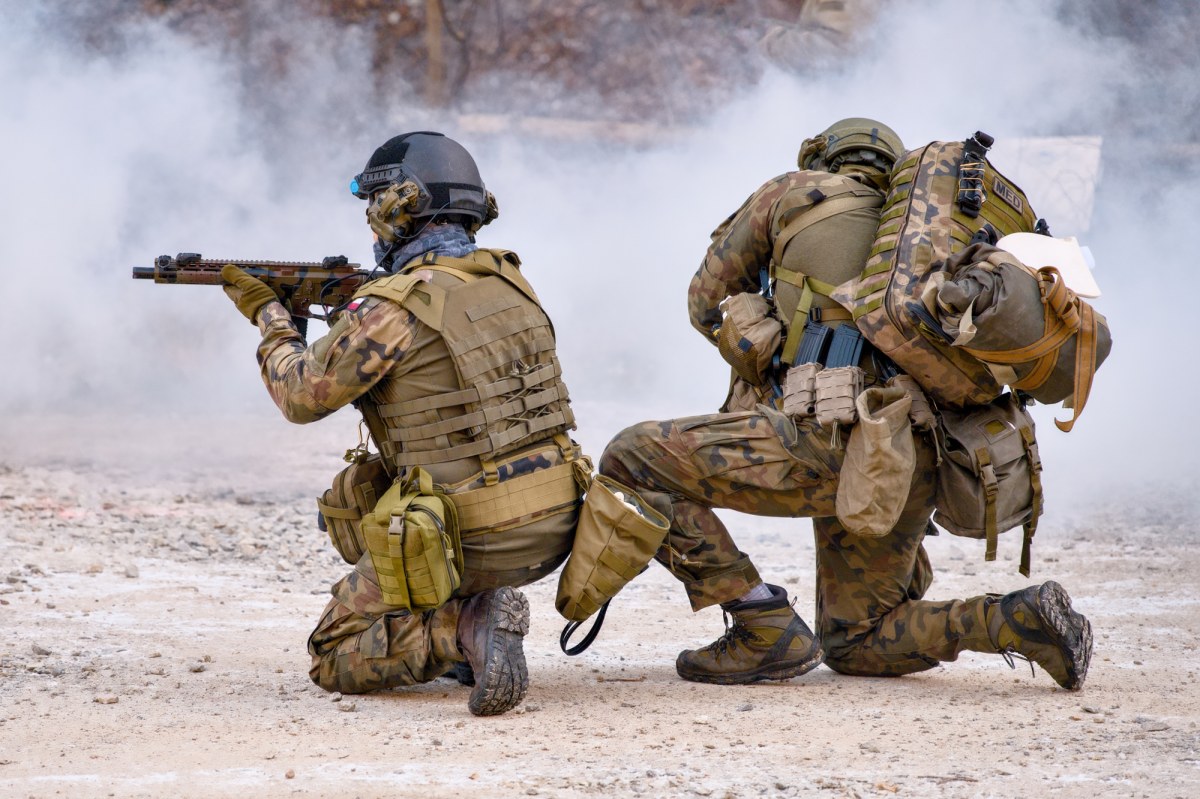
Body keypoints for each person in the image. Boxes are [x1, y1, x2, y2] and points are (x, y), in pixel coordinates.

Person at [598, 118, 1093, 690]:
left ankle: (761, 624)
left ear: (823, 158)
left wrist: (764, 337)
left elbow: (705, 301)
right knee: (858, 641)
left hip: (825, 444)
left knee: (631, 459)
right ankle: (1014, 618)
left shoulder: (790, 192)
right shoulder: (938, 240)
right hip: (913, 459)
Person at [220, 131, 586, 716]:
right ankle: (468, 628)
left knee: (334, 654)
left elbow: (300, 398)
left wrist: (273, 320)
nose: (370, 227)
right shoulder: (510, 280)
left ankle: (462, 626)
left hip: (471, 536)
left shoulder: (390, 310)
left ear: (400, 208)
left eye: (374, 209)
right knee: (374, 492)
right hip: (555, 525)